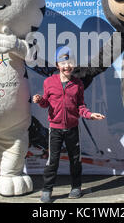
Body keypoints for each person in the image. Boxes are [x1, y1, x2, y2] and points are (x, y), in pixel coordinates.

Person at [33, 46, 106, 203]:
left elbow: (81, 106)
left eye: (70, 62)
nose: (67, 66)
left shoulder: (78, 83)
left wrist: (90, 114)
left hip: (73, 129)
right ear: (57, 65)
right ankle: (47, 189)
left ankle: (76, 187)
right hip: (55, 130)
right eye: (63, 62)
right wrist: (40, 101)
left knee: (75, 160)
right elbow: (46, 103)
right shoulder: (49, 82)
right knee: (53, 161)